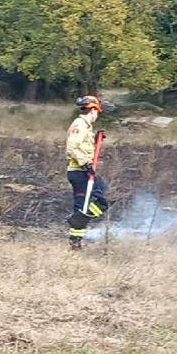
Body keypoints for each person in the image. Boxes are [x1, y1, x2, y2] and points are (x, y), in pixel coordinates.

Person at [66, 95, 108, 250]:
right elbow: (71, 148)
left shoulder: (86, 127)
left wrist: (96, 141)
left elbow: (83, 147)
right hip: (79, 172)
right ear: (93, 110)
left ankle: (78, 223)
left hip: (83, 171)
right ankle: (75, 239)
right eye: (97, 112)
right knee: (87, 204)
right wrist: (85, 163)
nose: (97, 116)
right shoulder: (80, 125)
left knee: (94, 199)